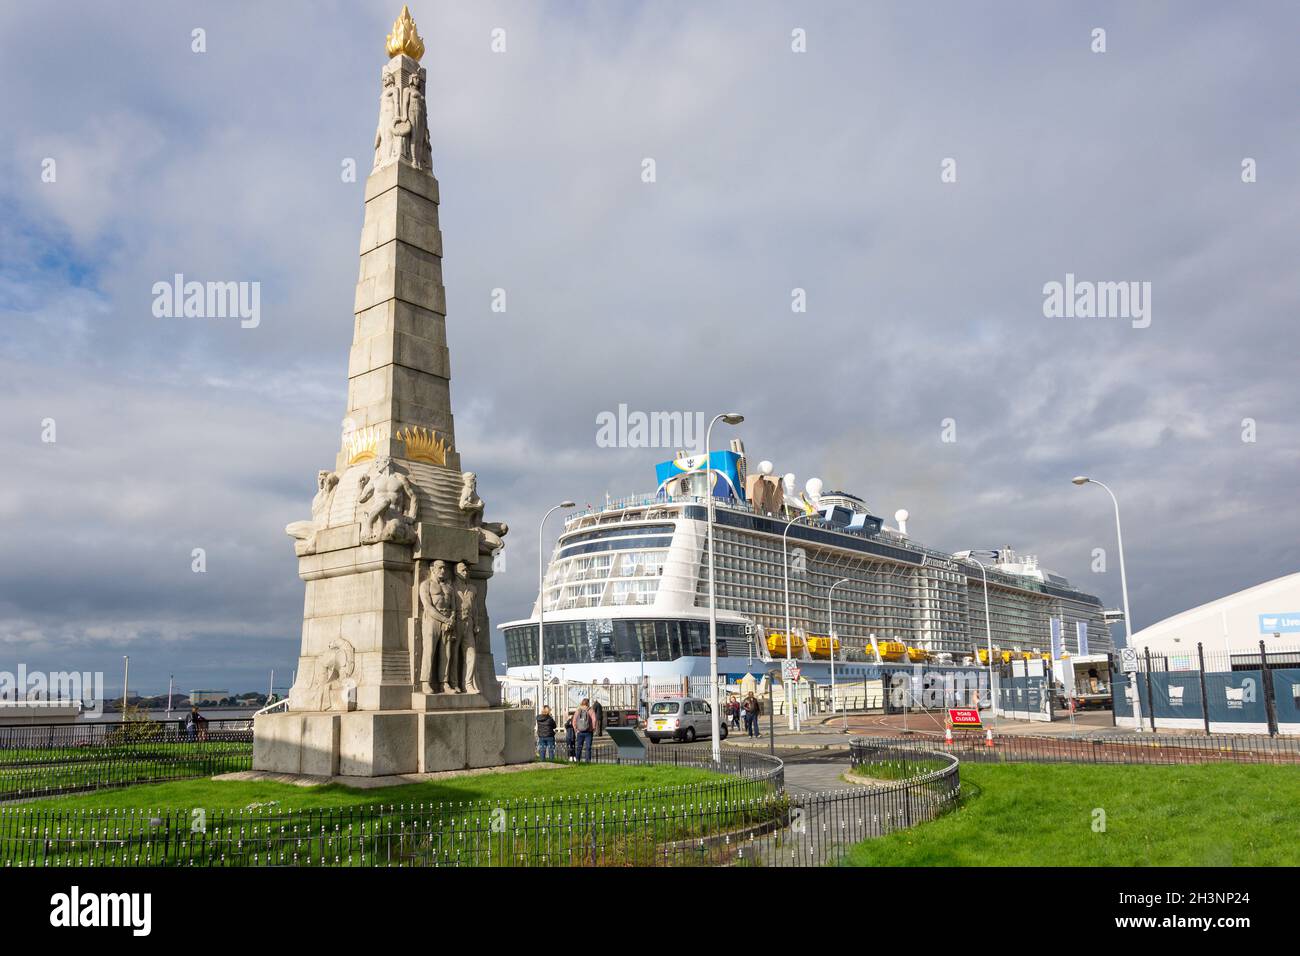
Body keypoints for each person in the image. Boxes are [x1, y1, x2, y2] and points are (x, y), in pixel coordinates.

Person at [573, 698, 596, 762]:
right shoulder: (590, 710)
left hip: (580, 731)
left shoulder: (578, 710)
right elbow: (594, 720)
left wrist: (576, 729)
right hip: (589, 731)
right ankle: (587, 761)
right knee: (588, 747)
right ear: (588, 703)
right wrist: (593, 728)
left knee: (579, 747)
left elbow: (574, 720)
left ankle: (577, 760)